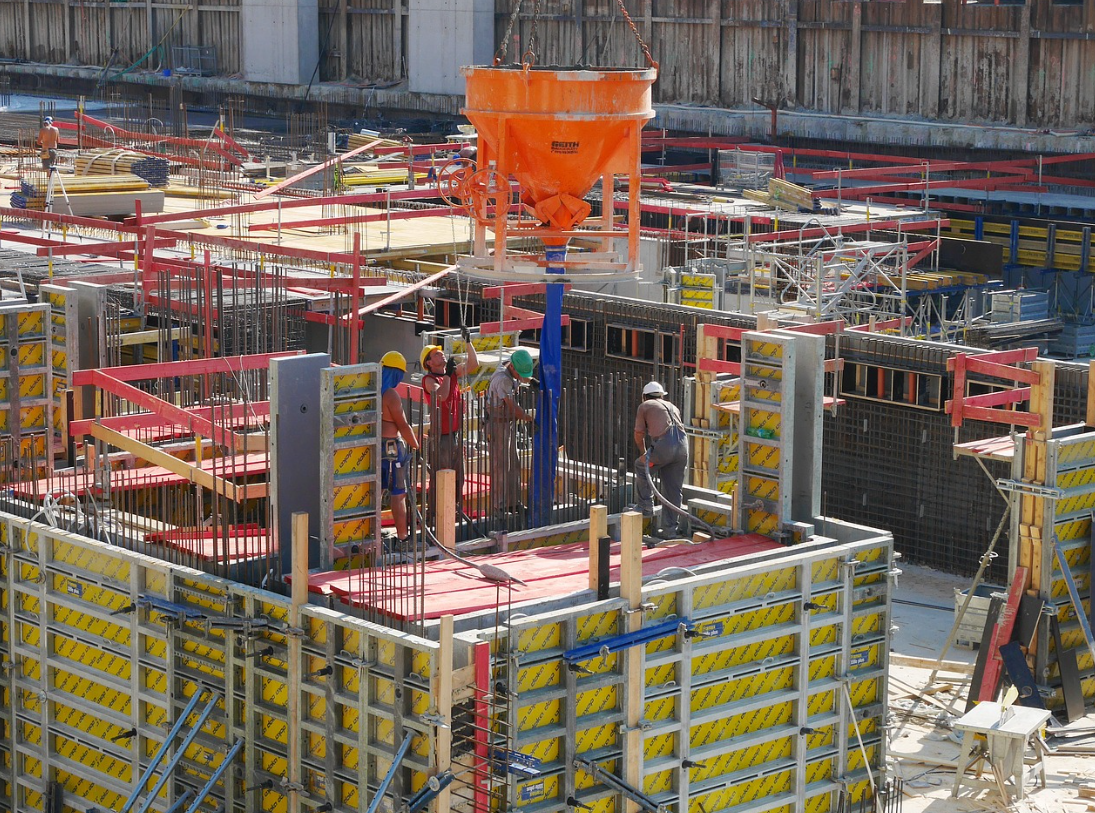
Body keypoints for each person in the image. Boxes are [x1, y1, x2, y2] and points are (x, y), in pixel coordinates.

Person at [421, 336, 478, 521]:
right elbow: (443, 396)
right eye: (436, 354)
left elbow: (473, 364)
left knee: (458, 477)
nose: (441, 354)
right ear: (429, 363)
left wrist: (468, 341)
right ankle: (435, 516)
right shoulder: (429, 380)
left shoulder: (451, 374)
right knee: (441, 477)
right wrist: (447, 375)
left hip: (454, 433)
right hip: (441, 437)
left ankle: (453, 512)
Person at [633, 380, 689, 539]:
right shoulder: (672, 406)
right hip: (683, 448)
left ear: (644, 396)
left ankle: (646, 507)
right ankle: (670, 531)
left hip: (664, 447)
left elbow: (639, 434)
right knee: (673, 490)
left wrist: (644, 453)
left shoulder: (644, 406)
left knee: (640, 466)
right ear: (662, 395)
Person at [486, 348, 534, 517]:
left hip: (508, 423)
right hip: (497, 425)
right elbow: (513, 408)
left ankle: (513, 503)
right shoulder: (503, 380)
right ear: (513, 367)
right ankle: (499, 506)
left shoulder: (510, 368)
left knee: (513, 462)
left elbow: (524, 377)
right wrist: (529, 418)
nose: (522, 377)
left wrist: (533, 381)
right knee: (501, 465)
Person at [380, 351, 420, 547]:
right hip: (391, 450)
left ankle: (372, 534)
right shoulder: (390, 395)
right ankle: (403, 537)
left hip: (375, 449)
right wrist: (416, 445)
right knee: (398, 494)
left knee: (375, 493)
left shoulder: (372, 392)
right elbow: (403, 425)